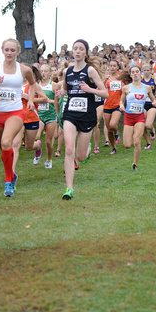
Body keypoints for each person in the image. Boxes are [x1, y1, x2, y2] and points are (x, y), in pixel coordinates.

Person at [0, 38, 38, 197]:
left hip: (15, 112)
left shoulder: (24, 69)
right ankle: (12, 175)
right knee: (3, 148)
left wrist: (31, 100)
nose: (9, 53)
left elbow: (33, 84)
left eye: (12, 50)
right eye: (7, 50)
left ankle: (8, 181)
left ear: (18, 52)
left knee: (8, 142)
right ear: (2, 50)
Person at [57, 39, 108, 200]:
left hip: (87, 115)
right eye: (75, 48)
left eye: (81, 49)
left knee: (80, 157)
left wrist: (89, 89)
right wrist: (61, 93)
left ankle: (87, 148)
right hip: (70, 114)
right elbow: (65, 90)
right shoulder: (67, 72)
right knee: (69, 150)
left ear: (85, 52)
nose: (77, 51)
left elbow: (105, 93)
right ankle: (69, 188)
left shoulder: (90, 70)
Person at [119, 64, 156, 170]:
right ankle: (133, 134)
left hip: (139, 117)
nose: (135, 74)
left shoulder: (147, 88)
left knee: (137, 141)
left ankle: (134, 164)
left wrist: (154, 102)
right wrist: (121, 106)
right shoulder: (126, 88)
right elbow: (121, 101)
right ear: (130, 75)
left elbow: (153, 99)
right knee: (127, 145)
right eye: (133, 72)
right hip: (128, 117)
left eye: (137, 72)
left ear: (140, 73)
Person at [37, 64, 61, 168]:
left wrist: (48, 100)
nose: (43, 73)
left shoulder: (54, 85)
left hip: (51, 115)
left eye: (45, 71)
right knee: (36, 137)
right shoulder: (36, 85)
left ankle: (49, 159)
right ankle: (38, 151)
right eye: (41, 71)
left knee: (48, 141)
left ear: (50, 73)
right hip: (39, 115)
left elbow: (58, 101)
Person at [103, 60, 122, 154]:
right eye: (111, 66)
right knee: (109, 130)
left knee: (113, 124)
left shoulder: (121, 78)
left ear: (118, 67)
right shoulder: (106, 79)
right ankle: (114, 147)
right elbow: (100, 89)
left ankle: (117, 133)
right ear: (108, 67)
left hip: (117, 105)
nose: (113, 67)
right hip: (107, 106)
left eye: (114, 66)